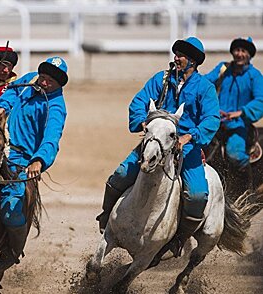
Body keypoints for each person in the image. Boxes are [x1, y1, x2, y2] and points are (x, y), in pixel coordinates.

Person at [97, 37, 220, 261]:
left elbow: (211, 119)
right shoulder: (160, 80)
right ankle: (106, 218)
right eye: (176, 53)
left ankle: (178, 239)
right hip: (155, 142)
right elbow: (138, 101)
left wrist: (190, 137)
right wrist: (142, 122)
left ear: (193, 61)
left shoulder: (205, 88)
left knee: (197, 195)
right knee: (121, 174)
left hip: (186, 147)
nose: (177, 58)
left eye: (181, 55)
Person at [0, 56, 68, 268]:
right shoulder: (29, 80)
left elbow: (51, 138)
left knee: (11, 209)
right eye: (43, 76)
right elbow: (10, 95)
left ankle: (12, 250)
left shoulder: (56, 107)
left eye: (50, 81)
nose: (43, 82)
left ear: (58, 85)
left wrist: (39, 160)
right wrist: (0, 109)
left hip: (22, 160)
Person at [204, 37, 263, 196]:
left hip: (238, 124)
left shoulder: (255, 76)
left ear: (249, 55)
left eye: (243, 51)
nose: (239, 54)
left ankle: (246, 192)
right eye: (237, 50)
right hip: (215, 121)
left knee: (235, 154)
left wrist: (241, 112)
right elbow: (205, 83)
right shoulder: (223, 69)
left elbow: (260, 100)